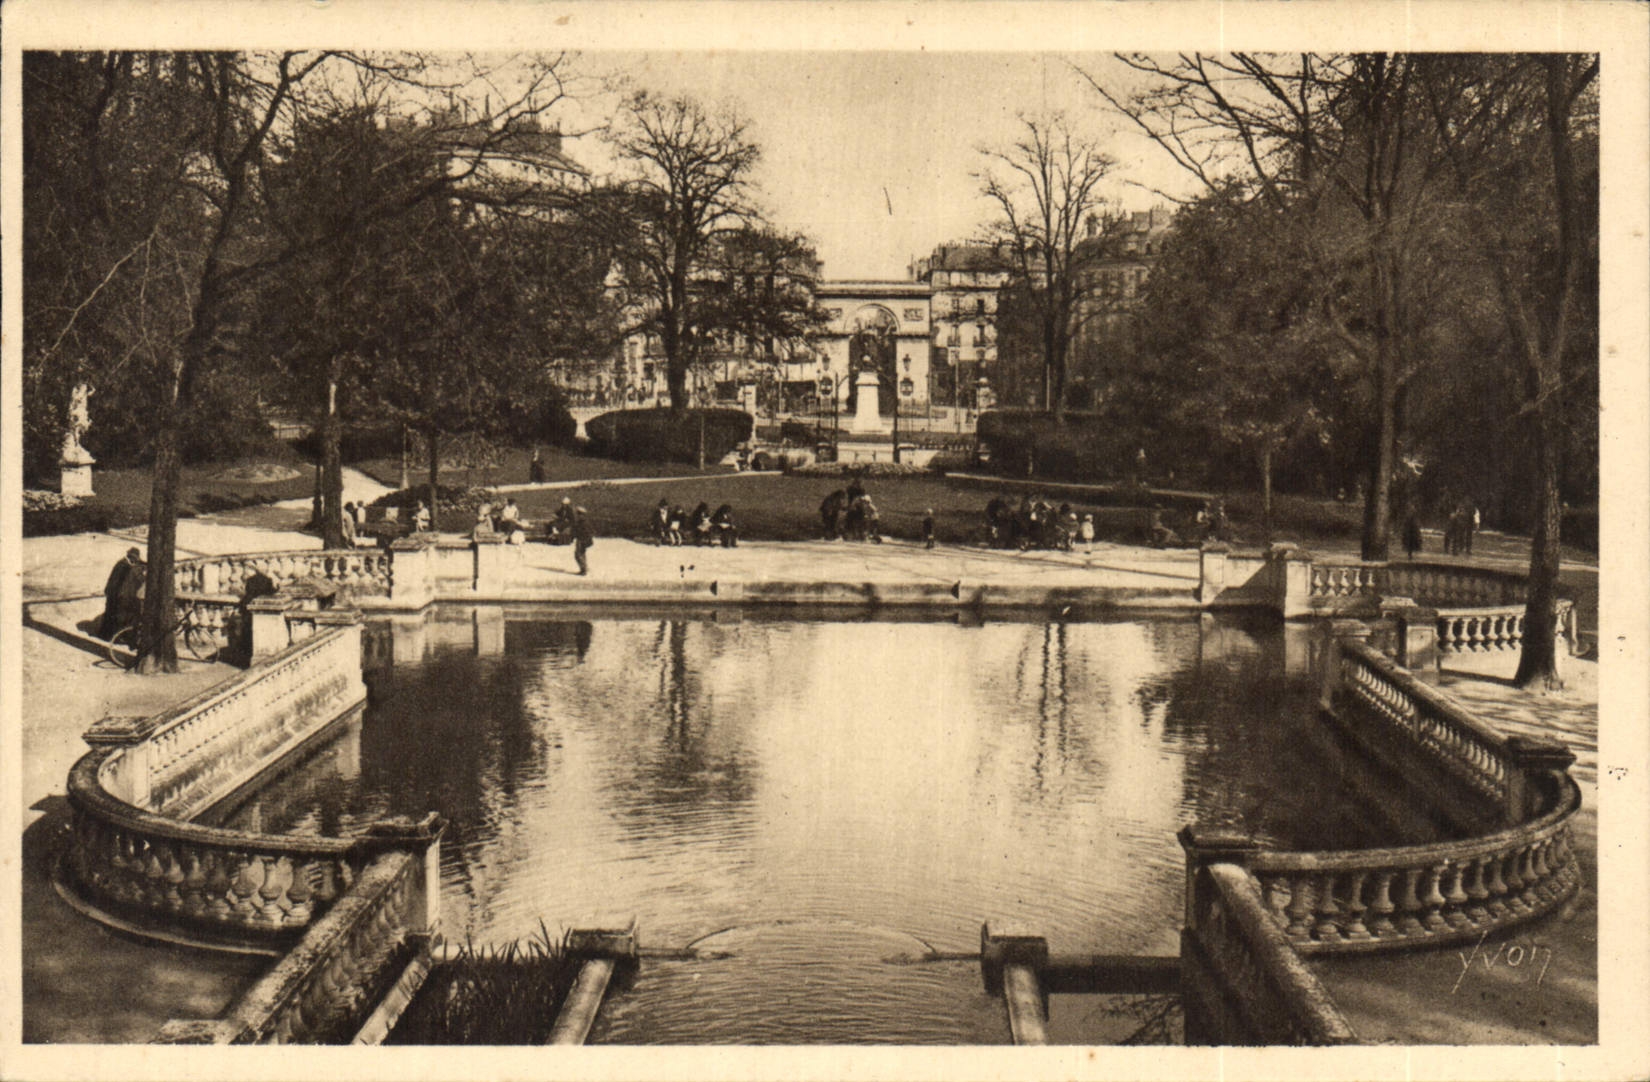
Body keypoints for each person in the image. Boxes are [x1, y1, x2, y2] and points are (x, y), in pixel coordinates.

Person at [98, 547, 144, 639]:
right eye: (135, 559)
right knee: (114, 614)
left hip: (113, 592)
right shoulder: (124, 565)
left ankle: (106, 634)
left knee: (110, 613)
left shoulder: (122, 563)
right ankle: (109, 635)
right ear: (131, 557)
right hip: (115, 593)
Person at [571, 507, 595, 575]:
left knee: (578, 555)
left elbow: (588, 532)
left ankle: (583, 570)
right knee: (582, 554)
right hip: (582, 540)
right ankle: (584, 568)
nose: (578, 515)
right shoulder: (584, 522)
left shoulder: (583, 523)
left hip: (581, 540)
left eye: (579, 514)